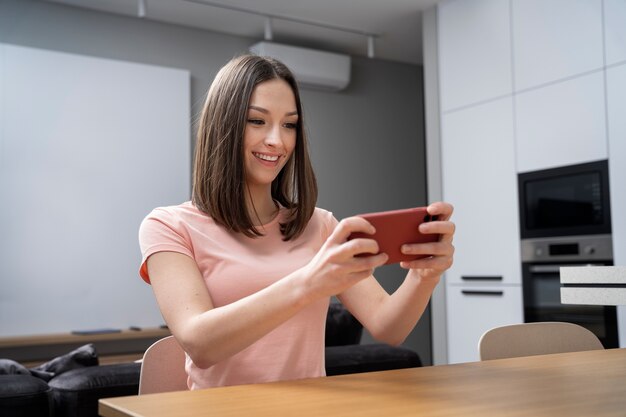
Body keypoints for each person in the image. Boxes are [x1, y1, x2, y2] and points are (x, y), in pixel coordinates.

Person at [138, 54, 455, 390]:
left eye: (289, 124)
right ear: (223, 125)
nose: (278, 140)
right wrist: (309, 283)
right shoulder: (169, 226)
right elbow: (199, 343)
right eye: (257, 121)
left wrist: (424, 276)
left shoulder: (320, 225)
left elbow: (388, 326)